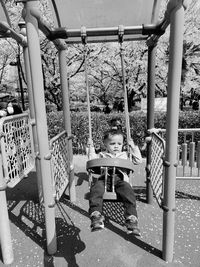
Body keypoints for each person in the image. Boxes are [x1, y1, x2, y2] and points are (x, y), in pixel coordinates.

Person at [87, 128, 142, 235]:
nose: (116, 146)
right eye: (112, 143)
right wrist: (91, 147)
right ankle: (96, 215)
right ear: (105, 144)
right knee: (96, 189)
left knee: (128, 192)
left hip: (120, 180)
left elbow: (138, 160)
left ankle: (131, 219)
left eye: (119, 143)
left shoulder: (126, 155)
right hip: (105, 179)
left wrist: (133, 147)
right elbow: (91, 160)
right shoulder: (102, 155)